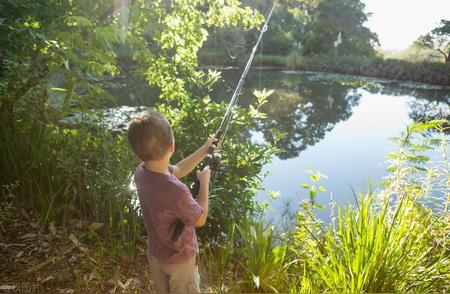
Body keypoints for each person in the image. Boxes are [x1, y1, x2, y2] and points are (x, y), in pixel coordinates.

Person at [127, 109, 216, 293]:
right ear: (171, 146)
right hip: (181, 262)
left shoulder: (141, 172)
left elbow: (178, 169)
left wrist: (205, 149)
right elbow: (201, 219)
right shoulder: (177, 191)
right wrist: (204, 183)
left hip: (156, 254)